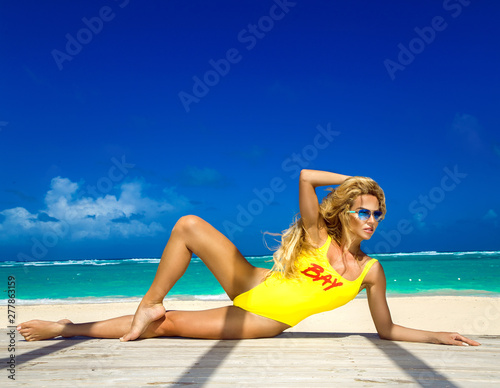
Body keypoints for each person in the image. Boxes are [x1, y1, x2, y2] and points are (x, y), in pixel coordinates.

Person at [17, 169, 480, 346]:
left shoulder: (372, 272)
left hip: (263, 319)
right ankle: (149, 301)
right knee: (188, 225)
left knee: (168, 327)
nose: (371, 219)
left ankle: (66, 328)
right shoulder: (318, 234)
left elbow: (387, 329)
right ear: (345, 211)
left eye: (377, 213)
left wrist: (436, 336)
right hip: (254, 281)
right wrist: (356, 181)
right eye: (363, 210)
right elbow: (305, 177)